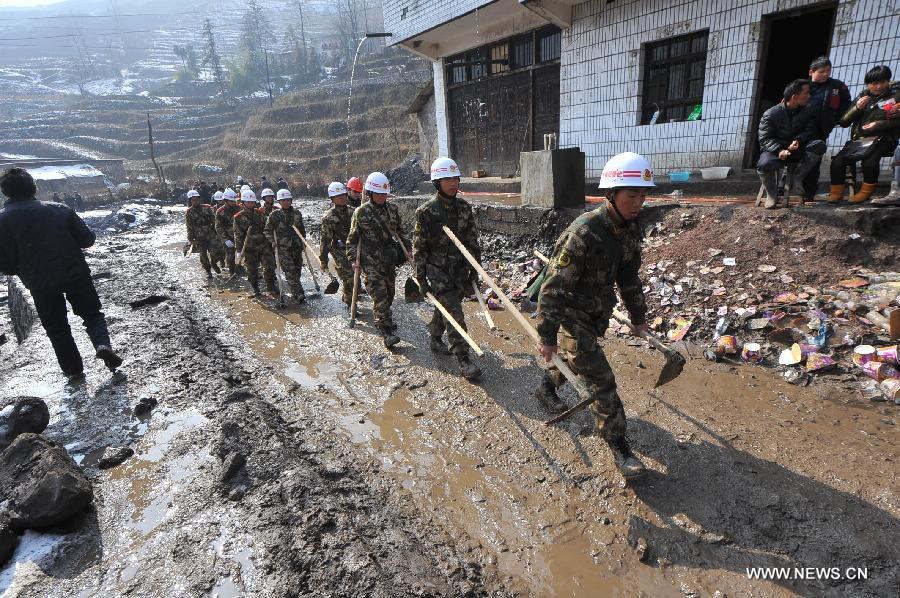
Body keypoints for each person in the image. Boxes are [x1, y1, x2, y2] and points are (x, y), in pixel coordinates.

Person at [534, 152, 653, 480]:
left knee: (577, 363)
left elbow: (629, 279)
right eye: (632, 195)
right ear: (611, 194)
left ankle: (546, 386)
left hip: (597, 313)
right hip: (571, 315)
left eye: (644, 195)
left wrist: (639, 318)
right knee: (601, 380)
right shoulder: (584, 231)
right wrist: (546, 336)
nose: (639, 202)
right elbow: (552, 287)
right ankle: (619, 446)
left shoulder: (629, 231)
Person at [0, 168, 122, 383]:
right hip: (76, 273)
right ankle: (103, 345)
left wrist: (20, 269)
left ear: (6, 193)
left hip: (39, 282)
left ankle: (74, 371)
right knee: (92, 315)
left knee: (57, 328)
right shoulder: (60, 209)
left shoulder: (2, 220)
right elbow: (87, 240)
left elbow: (4, 263)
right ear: (33, 188)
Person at [413, 157, 482, 380]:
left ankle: (434, 336)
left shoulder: (464, 208)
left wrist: (475, 269)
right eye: (447, 179)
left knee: (445, 307)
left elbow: (472, 240)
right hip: (439, 271)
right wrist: (421, 278)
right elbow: (419, 247)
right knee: (454, 312)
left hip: (460, 270)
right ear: (437, 182)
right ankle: (463, 358)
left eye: (455, 178)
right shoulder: (426, 212)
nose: (453, 183)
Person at [345, 172, 408, 348]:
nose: (382, 197)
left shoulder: (393, 210)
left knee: (389, 294)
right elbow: (352, 240)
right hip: (369, 260)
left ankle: (384, 316)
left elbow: (400, 233)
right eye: (378, 193)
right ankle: (386, 331)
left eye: (384, 194)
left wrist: (408, 249)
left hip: (389, 259)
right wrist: (353, 259)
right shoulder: (361, 212)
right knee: (379, 296)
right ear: (370, 193)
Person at [829, 65, 900, 204]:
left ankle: (866, 191)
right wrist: (857, 108)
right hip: (861, 139)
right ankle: (836, 193)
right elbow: (843, 122)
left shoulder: (896, 96)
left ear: (888, 81)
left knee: (869, 161)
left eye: (883, 82)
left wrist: (878, 125)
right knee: (838, 161)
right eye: (874, 83)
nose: (879, 86)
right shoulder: (862, 97)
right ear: (868, 84)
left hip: (885, 138)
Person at [756, 78, 826, 208]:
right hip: (775, 152)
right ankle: (771, 194)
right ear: (794, 96)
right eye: (806, 93)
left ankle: (797, 178)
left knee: (819, 145)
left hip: (797, 149)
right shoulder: (771, 114)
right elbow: (765, 139)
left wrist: (798, 140)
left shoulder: (807, 111)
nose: (809, 96)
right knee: (763, 164)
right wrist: (779, 150)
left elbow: (810, 131)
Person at [804, 57, 851, 201]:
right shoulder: (802, 86)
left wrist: (836, 119)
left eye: (828, 71)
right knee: (795, 158)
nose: (826, 74)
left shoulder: (837, 86)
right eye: (822, 71)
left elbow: (846, 104)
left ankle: (809, 194)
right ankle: (784, 188)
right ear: (811, 72)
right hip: (799, 128)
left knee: (814, 161)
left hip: (821, 129)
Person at [264, 188, 307, 305]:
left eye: (288, 200)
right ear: (279, 201)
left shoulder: (297, 213)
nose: (286, 202)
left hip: (296, 247)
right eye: (283, 200)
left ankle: (295, 288)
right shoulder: (274, 215)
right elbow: (267, 231)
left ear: (291, 200)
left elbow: (302, 230)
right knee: (290, 270)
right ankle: (298, 294)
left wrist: (304, 242)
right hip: (283, 248)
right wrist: (273, 241)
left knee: (297, 270)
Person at [319, 182, 356, 308]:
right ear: (332, 199)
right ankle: (350, 302)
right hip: (339, 249)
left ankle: (351, 294)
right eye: (338, 196)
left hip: (354, 247)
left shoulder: (354, 212)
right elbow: (325, 240)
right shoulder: (328, 217)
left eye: (343, 195)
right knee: (349, 276)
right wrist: (323, 259)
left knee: (357, 274)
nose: (342, 198)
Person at [233, 189, 269, 296]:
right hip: (248, 247)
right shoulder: (238, 217)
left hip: (263, 245)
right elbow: (238, 235)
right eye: (248, 202)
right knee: (252, 270)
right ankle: (255, 288)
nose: (250, 204)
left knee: (269, 266)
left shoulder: (260, 214)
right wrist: (239, 251)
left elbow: (267, 227)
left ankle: (271, 286)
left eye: (252, 202)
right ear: (243, 203)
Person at [185, 189, 221, 278]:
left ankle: (214, 263)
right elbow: (189, 227)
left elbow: (214, 220)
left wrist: (217, 233)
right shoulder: (189, 212)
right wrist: (190, 239)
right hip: (199, 237)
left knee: (215, 252)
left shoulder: (207, 207)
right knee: (203, 255)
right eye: (193, 199)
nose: (195, 201)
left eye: (197, 199)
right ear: (190, 201)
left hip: (210, 234)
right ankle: (208, 270)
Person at [216, 187, 243, 275]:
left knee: (242, 255)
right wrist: (225, 239)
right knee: (230, 257)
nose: (233, 202)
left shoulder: (240, 208)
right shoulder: (220, 211)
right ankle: (232, 272)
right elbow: (219, 227)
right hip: (228, 237)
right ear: (226, 200)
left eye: (234, 200)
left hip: (240, 236)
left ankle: (241, 269)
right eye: (231, 201)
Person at [257, 188, 279, 295]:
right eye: (268, 197)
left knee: (275, 263)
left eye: (271, 197)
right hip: (264, 242)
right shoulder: (260, 211)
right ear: (264, 199)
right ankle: (270, 286)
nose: (270, 199)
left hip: (277, 241)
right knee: (268, 265)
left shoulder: (277, 209)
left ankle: (273, 279)